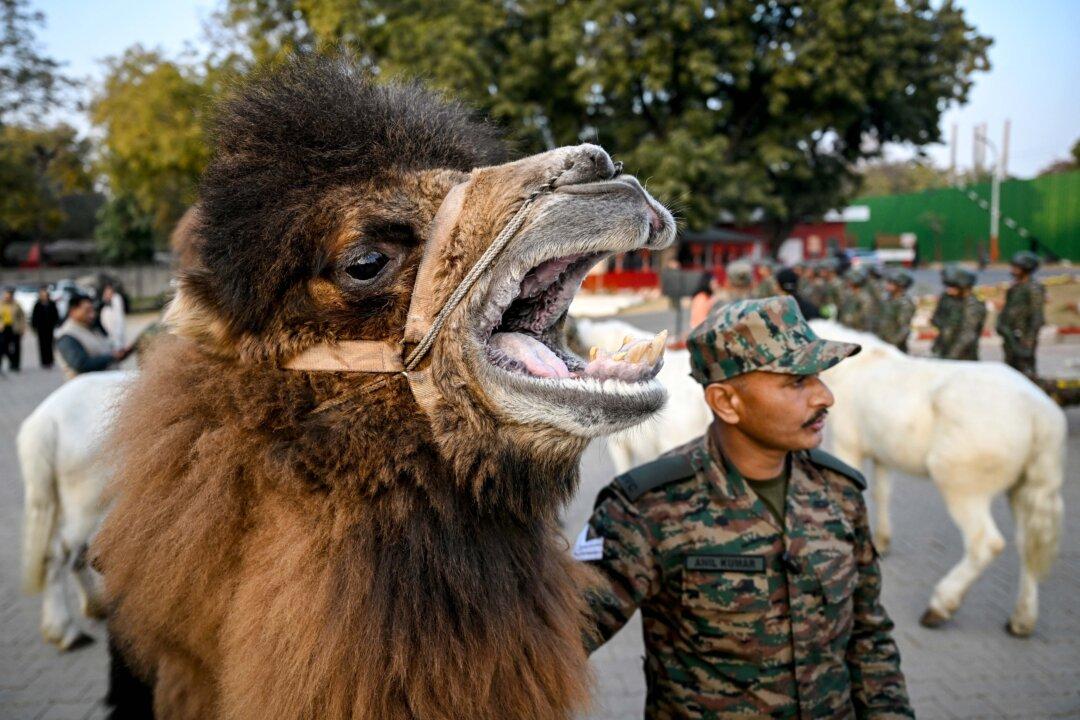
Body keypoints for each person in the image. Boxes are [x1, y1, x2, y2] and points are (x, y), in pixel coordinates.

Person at [579, 296, 912, 719]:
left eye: (820, 377)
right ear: (726, 402)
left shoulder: (840, 493)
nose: (825, 396)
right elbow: (558, 641)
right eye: (796, 382)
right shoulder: (648, 508)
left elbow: (869, 636)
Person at [996, 251, 1045, 377]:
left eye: (1016, 267)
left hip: (1022, 337)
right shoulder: (1015, 287)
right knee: (1010, 370)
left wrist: (1029, 339)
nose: (1013, 270)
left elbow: (1037, 315)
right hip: (1010, 335)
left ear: (1026, 268)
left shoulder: (1033, 288)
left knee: (1025, 370)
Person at [56, 294, 129, 378]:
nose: (92, 314)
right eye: (87, 311)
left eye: (92, 310)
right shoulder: (67, 335)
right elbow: (81, 365)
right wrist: (112, 357)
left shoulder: (91, 328)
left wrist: (120, 353)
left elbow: (105, 348)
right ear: (73, 311)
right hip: (88, 388)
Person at [932, 267, 986, 360]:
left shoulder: (972, 305)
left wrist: (951, 357)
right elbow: (938, 320)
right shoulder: (954, 301)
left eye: (953, 287)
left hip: (963, 357)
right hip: (945, 350)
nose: (949, 291)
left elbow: (967, 335)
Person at [877, 270, 916, 352]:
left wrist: (893, 344)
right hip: (882, 342)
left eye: (891, 283)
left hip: (894, 347)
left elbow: (904, 328)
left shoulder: (905, 304)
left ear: (900, 286)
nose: (887, 285)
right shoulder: (887, 300)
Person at [837, 267, 876, 332]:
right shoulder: (848, 294)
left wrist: (851, 318)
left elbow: (865, 315)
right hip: (847, 329)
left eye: (849, 279)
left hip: (859, 331)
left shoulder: (864, 297)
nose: (847, 281)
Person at [30, 285, 61, 368]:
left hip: (50, 327)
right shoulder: (37, 305)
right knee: (42, 345)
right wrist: (34, 326)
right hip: (41, 328)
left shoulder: (51, 304)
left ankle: (50, 360)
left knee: (50, 344)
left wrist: (56, 324)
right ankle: (44, 361)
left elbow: (56, 315)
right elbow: (34, 316)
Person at [1, 286, 26, 372]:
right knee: (4, 347)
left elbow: (22, 316)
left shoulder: (16, 304)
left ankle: (16, 365)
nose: (7, 296)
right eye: (6, 294)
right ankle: (11, 360)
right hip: (4, 328)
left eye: (9, 294)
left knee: (16, 347)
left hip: (15, 327)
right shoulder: (1, 304)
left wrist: (23, 328)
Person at [98, 283, 128, 350]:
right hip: (108, 331)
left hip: (116, 328)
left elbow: (119, 318)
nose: (107, 293)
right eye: (106, 291)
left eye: (109, 291)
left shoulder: (116, 299)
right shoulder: (104, 306)